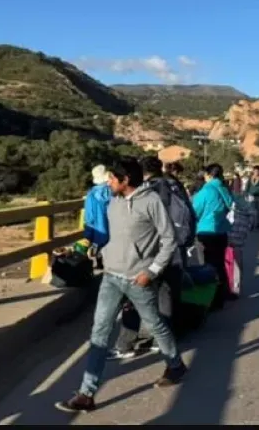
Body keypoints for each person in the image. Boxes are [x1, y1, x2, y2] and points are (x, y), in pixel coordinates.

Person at [56, 159, 187, 413]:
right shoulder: (113, 201)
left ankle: (175, 365)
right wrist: (85, 248)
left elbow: (170, 239)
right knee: (99, 332)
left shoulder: (151, 202)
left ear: (125, 180)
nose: (108, 182)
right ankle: (86, 394)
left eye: (112, 178)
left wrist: (152, 271)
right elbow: (106, 232)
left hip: (138, 279)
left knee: (155, 324)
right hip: (111, 277)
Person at [105, 156, 195, 360]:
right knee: (167, 295)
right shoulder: (175, 185)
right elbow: (189, 213)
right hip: (175, 250)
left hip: (151, 253)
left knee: (132, 297)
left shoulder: (148, 191)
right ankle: (163, 340)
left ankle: (125, 344)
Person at [191, 163, 234, 310]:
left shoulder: (206, 191)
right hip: (221, 232)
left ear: (208, 175)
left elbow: (194, 212)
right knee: (220, 265)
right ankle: (221, 296)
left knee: (208, 267)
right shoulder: (224, 188)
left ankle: (212, 299)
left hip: (206, 233)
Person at [83, 165, 112, 269]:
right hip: (112, 225)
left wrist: (88, 229)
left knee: (98, 243)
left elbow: (89, 216)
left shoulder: (91, 194)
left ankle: (99, 263)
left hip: (98, 226)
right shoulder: (113, 191)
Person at [244, 166, 259, 230]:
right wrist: (245, 195)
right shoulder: (250, 178)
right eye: (255, 171)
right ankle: (251, 225)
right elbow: (247, 187)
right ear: (253, 171)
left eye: (257, 171)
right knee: (252, 211)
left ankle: (258, 224)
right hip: (251, 197)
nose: (256, 172)